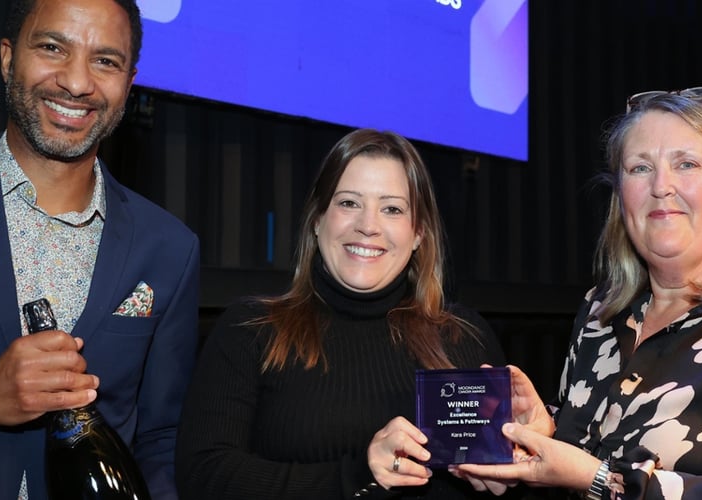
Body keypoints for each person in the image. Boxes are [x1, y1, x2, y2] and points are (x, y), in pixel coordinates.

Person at [175, 128, 507, 499]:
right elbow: (204, 476)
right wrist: (358, 476)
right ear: (318, 219)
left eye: (392, 209)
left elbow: (505, 483)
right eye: (349, 203)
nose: (368, 225)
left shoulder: (465, 337)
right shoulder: (250, 331)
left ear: (419, 234)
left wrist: (517, 476)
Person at [450, 87, 702, 499]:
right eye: (639, 168)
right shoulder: (600, 310)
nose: (661, 186)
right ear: (621, 197)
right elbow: (584, 447)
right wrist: (543, 427)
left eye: (686, 163)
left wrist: (600, 480)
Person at [0, 0, 200, 498]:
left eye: (106, 61)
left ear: (129, 81)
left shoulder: (169, 249)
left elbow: (161, 438)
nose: (78, 83)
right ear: (7, 57)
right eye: (53, 47)